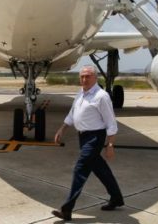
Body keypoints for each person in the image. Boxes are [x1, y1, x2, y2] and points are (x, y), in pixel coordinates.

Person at [51, 66, 124, 221]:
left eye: (88, 76)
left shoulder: (101, 96)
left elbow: (111, 122)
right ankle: (116, 198)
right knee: (100, 169)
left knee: (80, 169)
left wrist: (110, 145)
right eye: (82, 76)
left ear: (95, 78)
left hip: (95, 137)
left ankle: (67, 209)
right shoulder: (81, 93)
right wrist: (62, 129)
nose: (84, 79)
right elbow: (73, 113)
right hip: (83, 137)